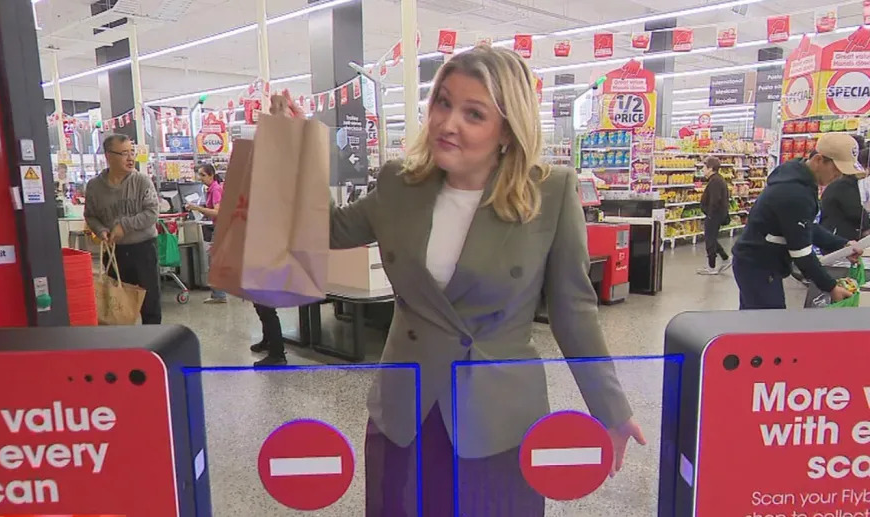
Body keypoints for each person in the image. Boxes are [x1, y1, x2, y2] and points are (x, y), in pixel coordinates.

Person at [275, 45, 642, 516]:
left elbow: (575, 310)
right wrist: (294, 146)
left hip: (498, 414)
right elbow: (324, 228)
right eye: (443, 103)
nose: (449, 123)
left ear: (506, 128)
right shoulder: (399, 185)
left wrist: (610, 409)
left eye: (474, 113)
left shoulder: (549, 193)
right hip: (408, 406)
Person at [732, 133, 863, 310]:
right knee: (768, 325)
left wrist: (842, 245)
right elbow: (801, 253)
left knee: (756, 321)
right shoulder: (795, 193)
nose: (838, 176)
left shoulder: (800, 180)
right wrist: (830, 287)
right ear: (818, 160)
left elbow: (805, 226)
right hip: (758, 265)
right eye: (836, 170)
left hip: (760, 263)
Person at [84, 134, 162, 324]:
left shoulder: (142, 181)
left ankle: (153, 346)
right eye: (124, 153)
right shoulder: (95, 187)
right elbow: (90, 215)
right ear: (109, 156)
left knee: (149, 302)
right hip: (114, 252)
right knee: (115, 303)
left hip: (143, 249)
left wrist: (123, 226)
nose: (130, 158)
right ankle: (122, 344)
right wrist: (101, 230)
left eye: (132, 152)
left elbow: (152, 213)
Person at [187, 163, 229, 304]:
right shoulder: (210, 190)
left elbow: (217, 212)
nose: (200, 178)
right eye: (199, 175)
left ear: (211, 175)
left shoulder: (216, 189)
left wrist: (197, 208)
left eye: (203, 175)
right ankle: (219, 293)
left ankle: (219, 294)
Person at [819, 143, 868, 241]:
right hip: (837, 239)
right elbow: (856, 212)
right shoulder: (844, 186)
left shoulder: (847, 184)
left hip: (837, 238)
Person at [698, 156, 732, 275]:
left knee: (709, 240)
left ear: (710, 168)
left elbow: (715, 200)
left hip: (714, 215)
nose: (702, 169)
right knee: (711, 238)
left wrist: (710, 214)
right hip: (715, 214)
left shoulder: (715, 181)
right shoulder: (716, 179)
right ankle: (725, 258)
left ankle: (711, 267)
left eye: (704, 166)